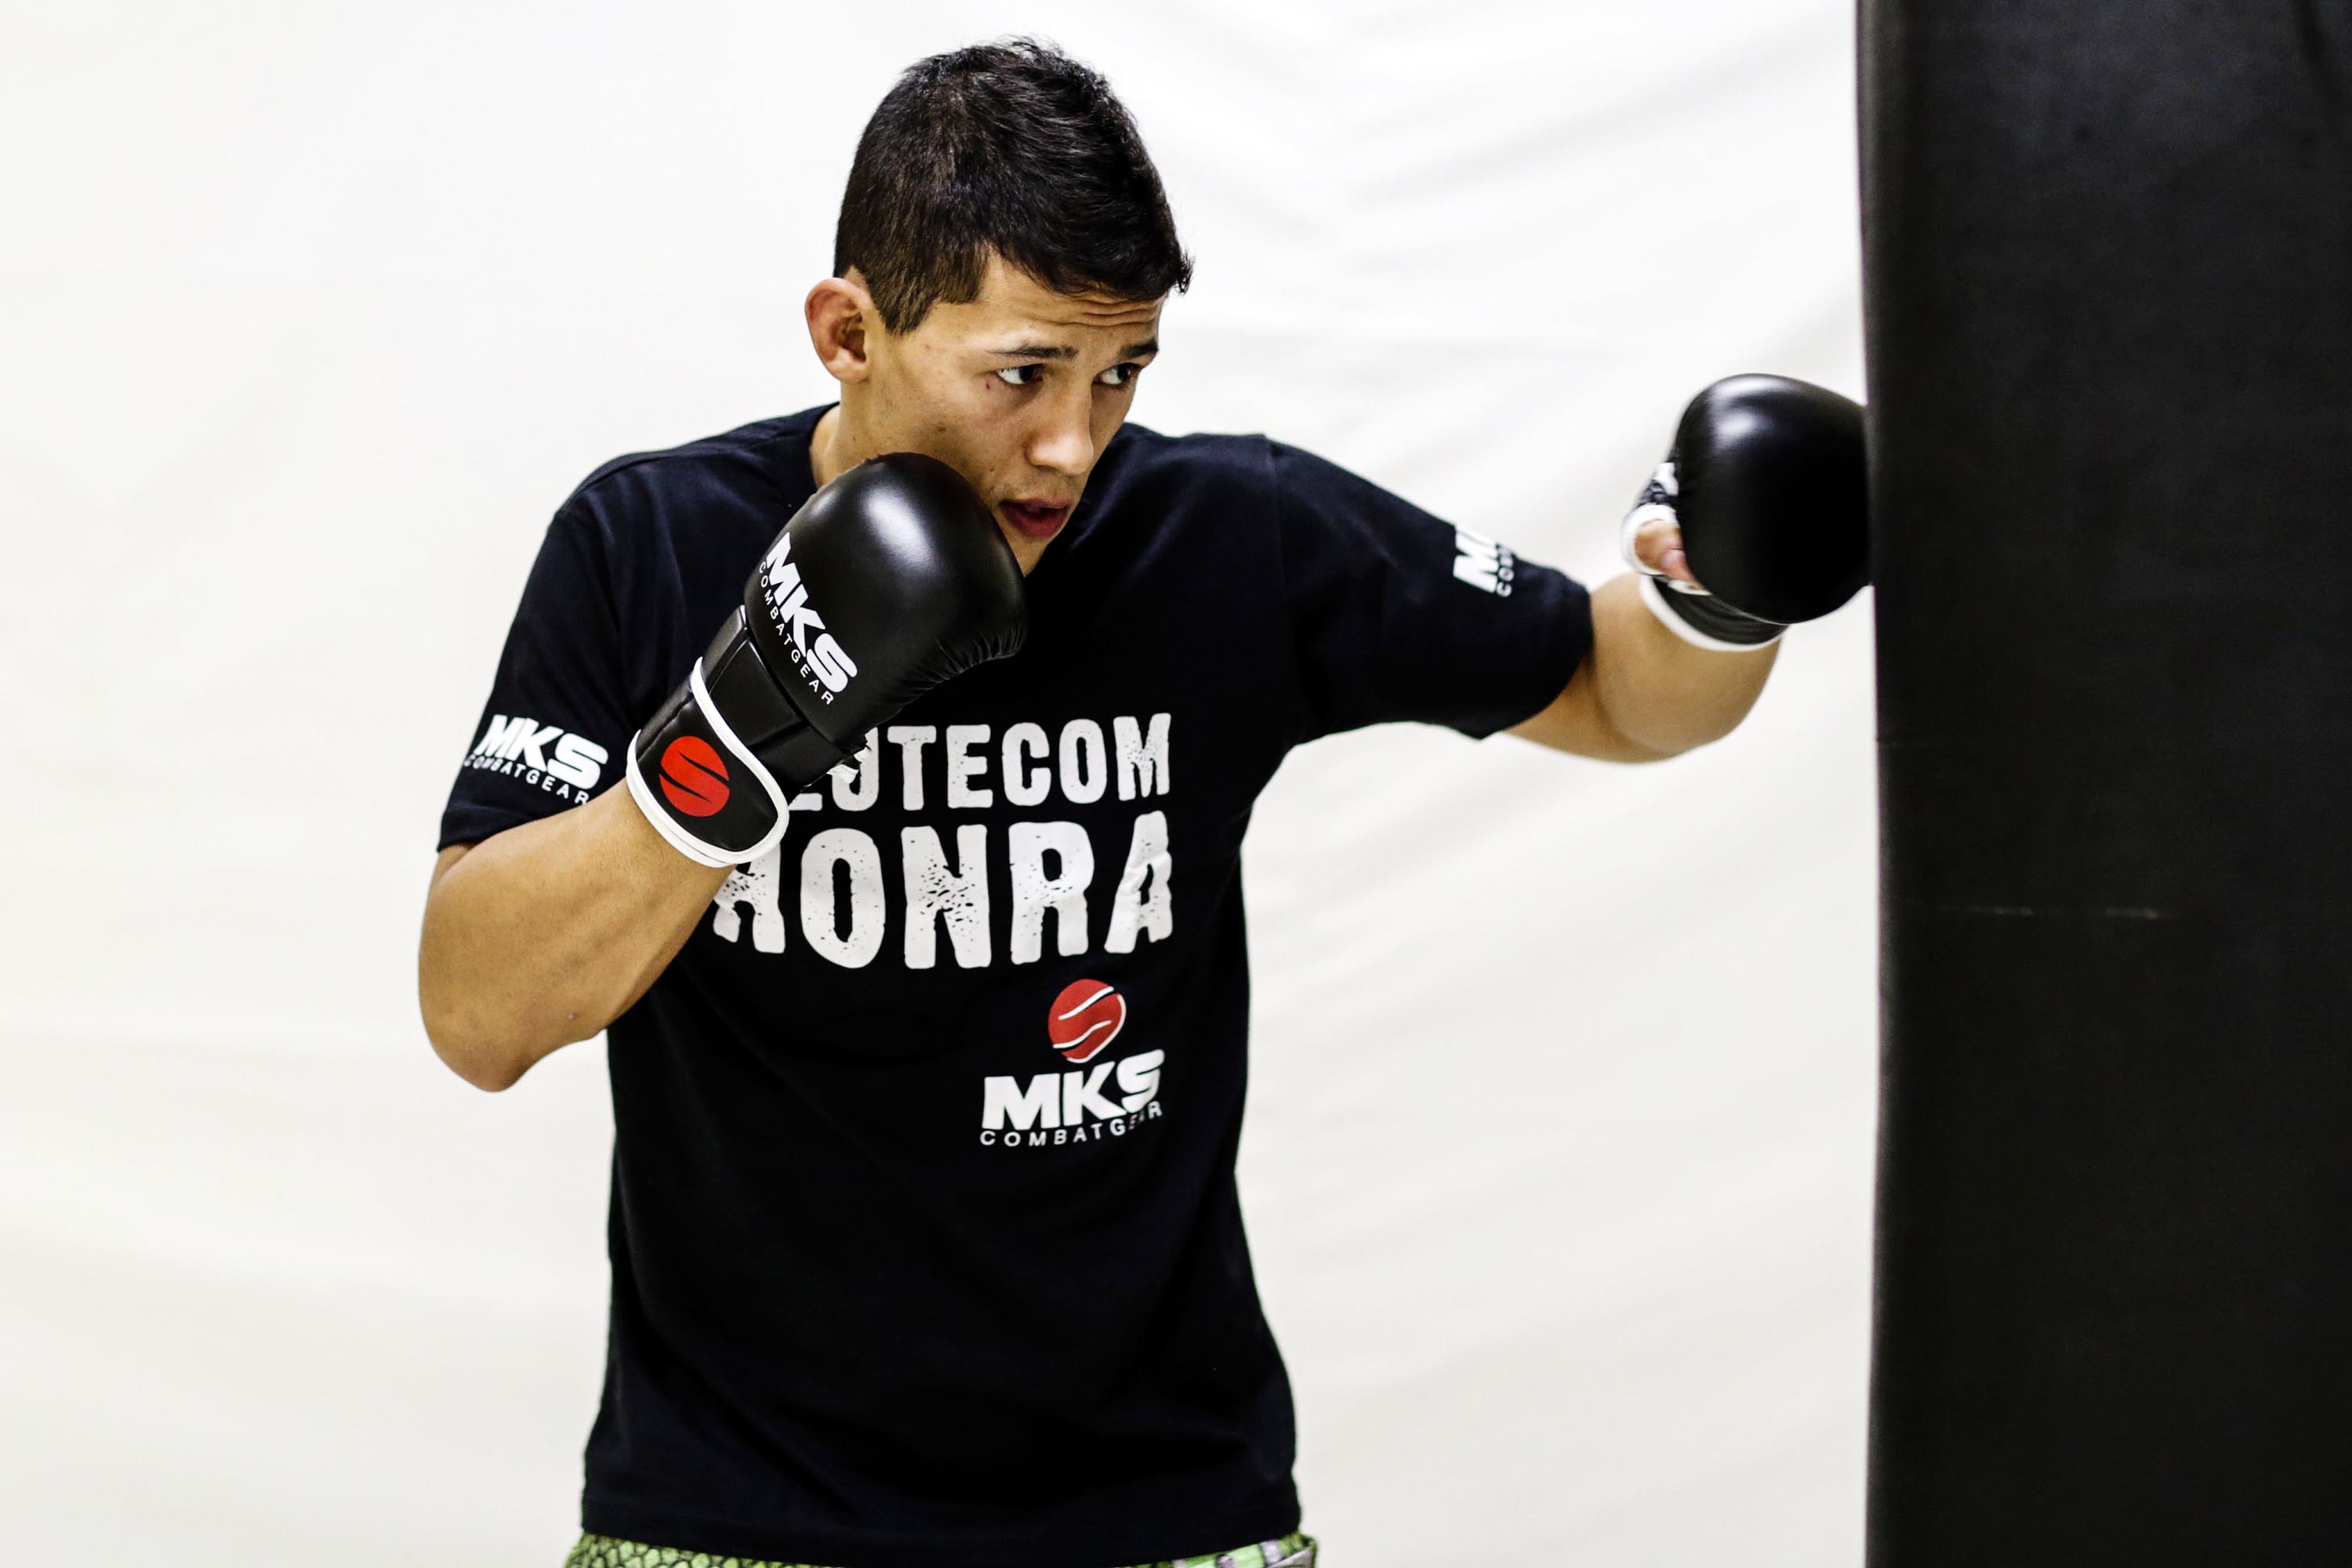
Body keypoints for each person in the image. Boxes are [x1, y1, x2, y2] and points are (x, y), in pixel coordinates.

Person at [416, 38, 1864, 1568]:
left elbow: (1614, 689)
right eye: (1022, 373)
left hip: (1164, 1508)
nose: (1072, 445)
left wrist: (1720, 601)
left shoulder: (1227, 535)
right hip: (735, 1507)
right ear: (849, 331)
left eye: (1121, 374)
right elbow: (477, 1014)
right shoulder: (653, 543)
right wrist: (737, 731)